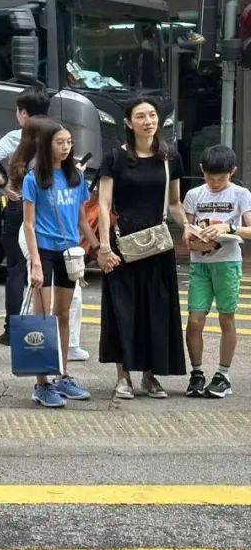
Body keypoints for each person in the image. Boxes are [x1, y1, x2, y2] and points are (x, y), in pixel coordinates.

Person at [97, 96, 190, 399]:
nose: (148, 121)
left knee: (157, 310)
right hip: (123, 244)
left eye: (152, 115)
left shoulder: (170, 158)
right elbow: (104, 203)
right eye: (140, 116)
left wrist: (188, 225)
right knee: (123, 309)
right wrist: (103, 246)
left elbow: (174, 204)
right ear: (128, 123)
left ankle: (151, 376)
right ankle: (123, 376)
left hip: (158, 244)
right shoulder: (114, 157)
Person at [21, 118, 97, 408]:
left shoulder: (75, 178)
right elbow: (28, 225)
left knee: (63, 314)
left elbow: (81, 220)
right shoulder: (34, 179)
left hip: (69, 253)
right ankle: (41, 383)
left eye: (69, 142)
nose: (66, 148)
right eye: (59, 142)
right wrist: (36, 263)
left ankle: (63, 375)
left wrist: (98, 247)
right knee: (43, 319)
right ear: (46, 144)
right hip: (44, 250)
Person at [0, 86, 50, 346]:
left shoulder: (15, 136)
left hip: (18, 205)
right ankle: (43, 328)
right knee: (44, 266)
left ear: (22, 112)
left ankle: (12, 330)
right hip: (46, 209)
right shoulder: (55, 135)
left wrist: (4, 187)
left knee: (16, 269)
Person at [182, 145, 251, 399]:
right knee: (195, 319)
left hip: (228, 263)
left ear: (232, 172)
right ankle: (197, 372)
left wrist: (227, 227)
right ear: (202, 171)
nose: (215, 183)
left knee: (226, 318)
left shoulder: (241, 194)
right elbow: (186, 230)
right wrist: (195, 239)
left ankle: (223, 374)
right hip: (200, 263)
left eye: (221, 178)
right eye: (210, 178)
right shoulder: (193, 194)